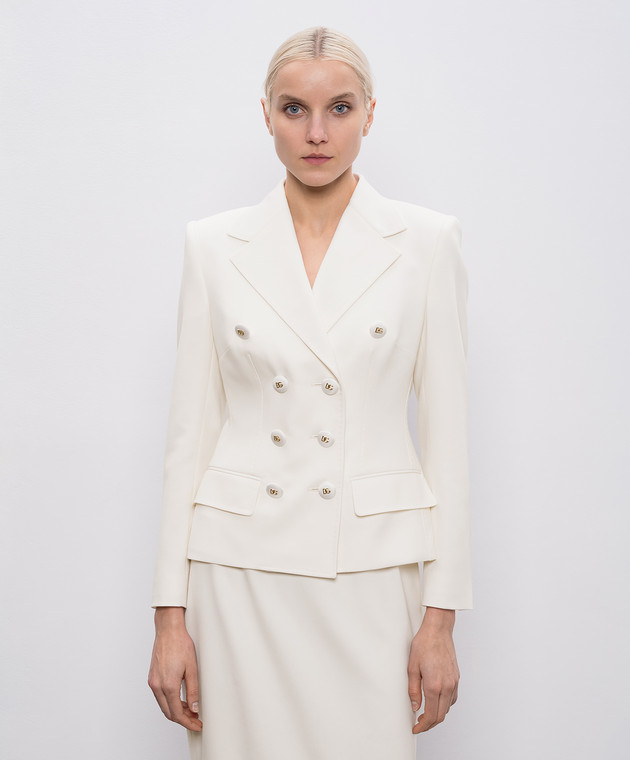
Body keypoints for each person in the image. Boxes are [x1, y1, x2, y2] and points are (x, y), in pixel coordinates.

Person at [148, 25, 472, 760]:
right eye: (294, 109)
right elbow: (188, 439)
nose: (317, 133)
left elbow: (448, 442)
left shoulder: (426, 242)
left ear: (370, 113)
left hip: (370, 569)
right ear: (266, 114)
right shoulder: (213, 245)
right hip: (239, 572)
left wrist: (441, 618)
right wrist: (169, 618)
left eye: (340, 109)